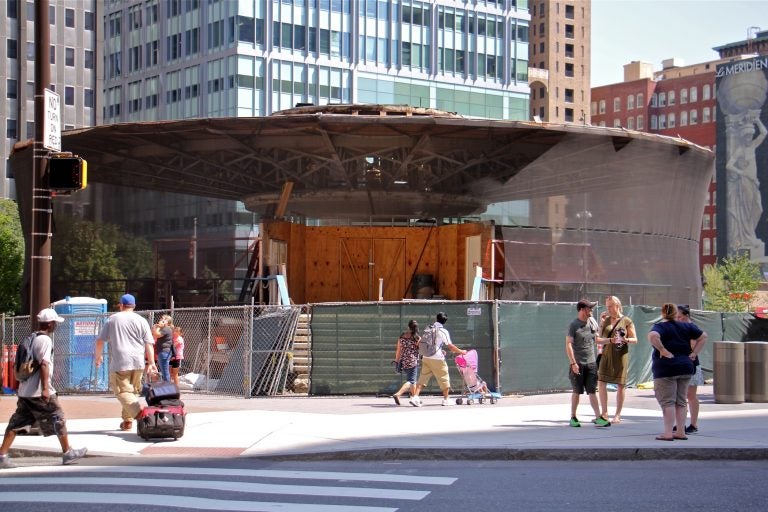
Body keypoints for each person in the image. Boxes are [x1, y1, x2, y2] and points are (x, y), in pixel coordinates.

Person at [0, 309, 87, 468]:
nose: (56, 326)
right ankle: (68, 453)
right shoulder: (45, 340)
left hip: (25, 391)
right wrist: (46, 389)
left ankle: (2, 455)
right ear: (49, 323)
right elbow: (44, 364)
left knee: (17, 422)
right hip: (39, 391)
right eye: (55, 323)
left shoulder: (31, 338)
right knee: (58, 416)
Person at [95, 294, 157, 431]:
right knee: (132, 392)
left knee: (122, 392)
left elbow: (100, 340)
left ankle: (139, 414)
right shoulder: (141, 320)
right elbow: (149, 343)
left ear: (121, 305)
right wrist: (151, 362)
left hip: (121, 362)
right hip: (138, 362)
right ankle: (127, 421)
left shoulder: (112, 319)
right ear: (134, 306)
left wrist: (98, 356)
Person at [647, 303, 707, 441]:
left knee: (668, 401)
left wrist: (662, 350)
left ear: (662, 313)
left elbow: (653, 336)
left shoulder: (660, 327)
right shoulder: (686, 326)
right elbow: (703, 336)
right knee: (681, 401)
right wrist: (694, 353)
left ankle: (668, 433)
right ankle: (681, 431)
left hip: (666, 368)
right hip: (686, 366)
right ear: (675, 313)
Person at [566, 299, 611, 428]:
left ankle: (598, 418)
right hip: (578, 363)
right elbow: (568, 344)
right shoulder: (573, 325)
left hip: (591, 363)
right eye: (589, 308)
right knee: (576, 391)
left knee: (592, 391)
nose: (591, 310)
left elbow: (597, 339)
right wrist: (573, 363)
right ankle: (573, 417)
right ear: (581, 309)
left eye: (591, 308)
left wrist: (612, 340)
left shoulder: (592, 322)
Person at [409, 312, 467, 407]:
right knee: (444, 377)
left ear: (436, 318)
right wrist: (461, 351)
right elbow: (450, 346)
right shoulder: (443, 331)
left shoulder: (429, 328)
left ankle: (415, 397)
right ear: (445, 321)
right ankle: (446, 399)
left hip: (426, 356)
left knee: (423, 378)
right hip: (437, 358)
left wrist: (440, 350)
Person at [597, 296, 637, 424]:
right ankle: (604, 413)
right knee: (601, 382)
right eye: (607, 306)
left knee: (621, 385)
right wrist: (601, 323)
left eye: (610, 306)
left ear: (617, 306)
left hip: (621, 355)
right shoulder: (606, 320)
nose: (608, 309)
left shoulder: (626, 321)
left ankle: (618, 414)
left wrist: (626, 340)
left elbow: (635, 339)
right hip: (606, 354)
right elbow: (598, 338)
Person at [675, 305, 704, 434]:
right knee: (680, 395)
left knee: (690, 395)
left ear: (686, 316)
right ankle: (680, 423)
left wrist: (694, 352)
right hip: (680, 364)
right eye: (676, 317)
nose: (677, 319)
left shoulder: (692, 328)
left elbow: (696, 343)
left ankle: (693, 424)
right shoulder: (679, 327)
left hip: (691, 364)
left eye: (680, 317)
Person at [391, 320, 420, 406]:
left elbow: (398, 350)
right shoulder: (417, 338)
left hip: (404, 361)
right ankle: (398, 394)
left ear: (408, 327)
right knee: (411, 381)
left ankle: (414, 398)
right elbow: (421, 350)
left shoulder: (402, 336)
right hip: (413, 361)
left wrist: (396, 361)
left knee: (413, 381)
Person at [152, 314, 174, 382]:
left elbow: (156, 335)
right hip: (162, 352)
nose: (161, 320)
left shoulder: (166, 328)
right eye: (161, 318)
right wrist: (156, 327)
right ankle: (167, 388)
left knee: (165, 372)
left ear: (167, 322)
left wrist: (158, 327)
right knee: (164, 371)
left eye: (163, 319)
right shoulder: (164, 328)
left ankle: (168, 389)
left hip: (164, 352)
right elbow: (153, 334)